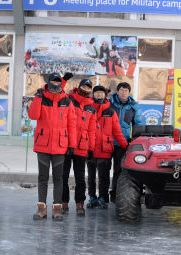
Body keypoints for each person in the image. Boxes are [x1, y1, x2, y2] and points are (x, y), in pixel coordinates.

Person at [28, 72, 76, 221]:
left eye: (58, 81)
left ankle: (57, 209)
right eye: (53, 81)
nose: (55, 84)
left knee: (58, 179)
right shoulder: (41, 98)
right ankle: (41, 209)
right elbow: (33, 115)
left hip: (60, 146)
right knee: (42, 178)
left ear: (60, 83)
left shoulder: (67, 101)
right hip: (43, 145)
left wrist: (72, 144)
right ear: (48, 82)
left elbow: (72, 124)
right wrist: (37, 98)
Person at [86, 85, 128, 209]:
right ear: (93, 95)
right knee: (91, 177)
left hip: (105, 149)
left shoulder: (110, 112)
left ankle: (103, 198)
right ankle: (92, 197)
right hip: (90, 149)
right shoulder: (88, 109)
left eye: (101, 93)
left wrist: (125, 146)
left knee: (104, 177)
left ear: (105, 95)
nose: (99, 95)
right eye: (97, 93)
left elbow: (117, 132)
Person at [62, 79, 97, 216]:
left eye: (88, 87)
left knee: (80, 178)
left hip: (82, 146)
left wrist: (91, 149)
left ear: (90, 90)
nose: (86, 88)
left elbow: (92, 130)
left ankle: (79, 204)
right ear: (79, 86)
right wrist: (64, 80)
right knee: (63, 176)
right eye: (84, 86)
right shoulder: (69, 99)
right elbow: (58, 92)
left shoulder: (91, 108)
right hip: (66, 144)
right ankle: (64, 203)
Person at [109, 82, 142, 203]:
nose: (123, 92)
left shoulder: (133, 107)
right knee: (104, 169)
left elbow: (138, 124)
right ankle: (102, 195)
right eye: (121, 90)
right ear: (117, 91)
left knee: (118, 169)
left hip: (122, 142)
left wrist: (135, 140)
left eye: (126, 91)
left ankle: (115, 193)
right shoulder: (109, 104)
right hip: (108, 141)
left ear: (129, 93)